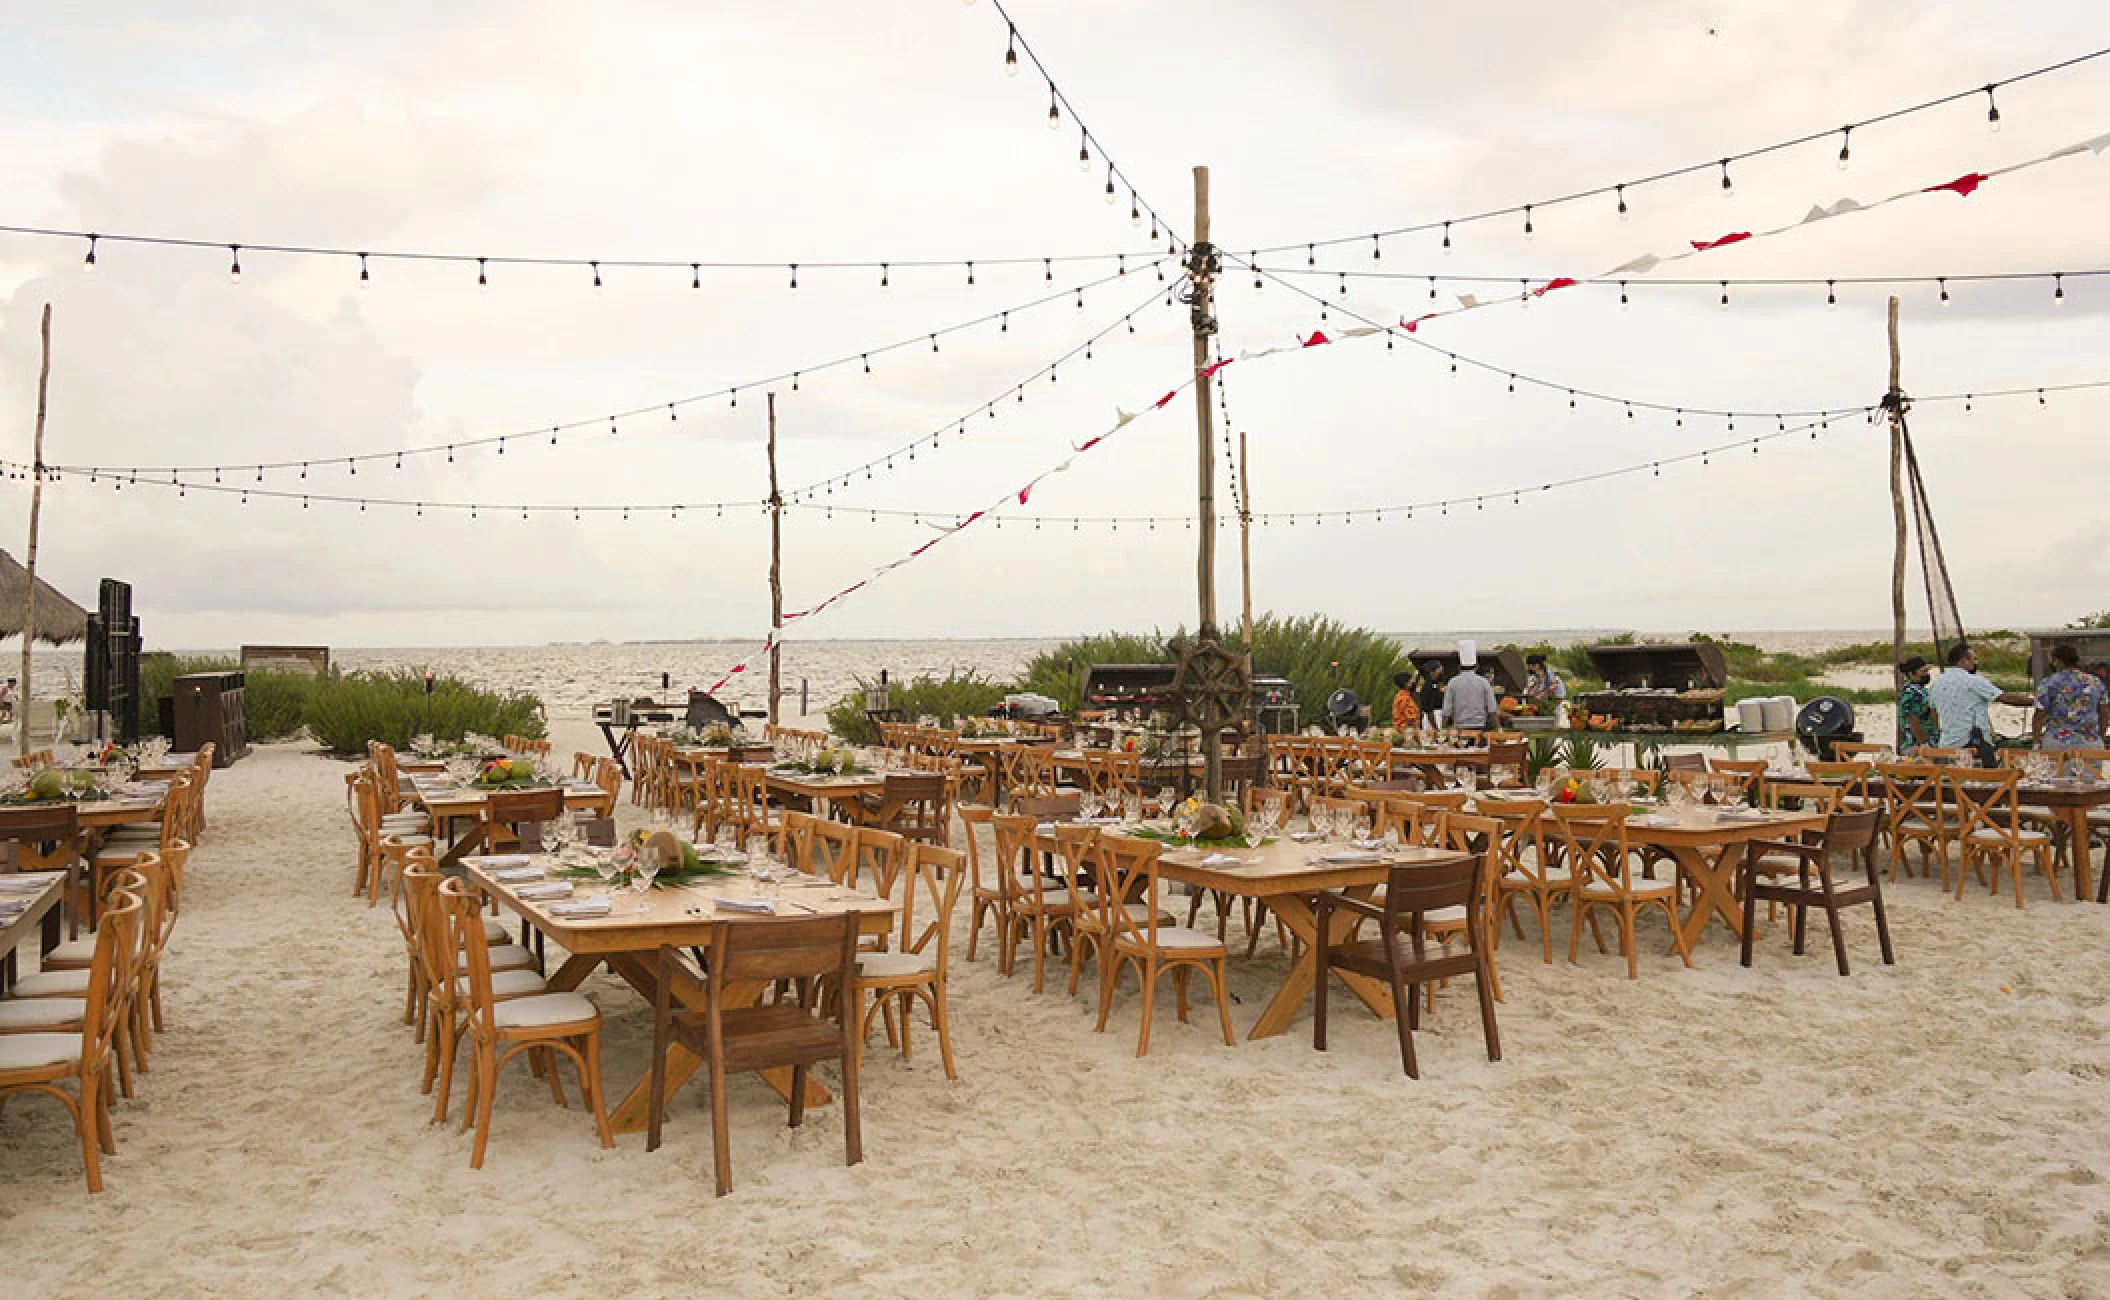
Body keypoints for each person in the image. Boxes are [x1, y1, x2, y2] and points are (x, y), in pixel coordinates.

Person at [1927, 642, 2032, 763]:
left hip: (1946, 745)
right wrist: (2035, 702)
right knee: (1986, 780)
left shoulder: (1936, 684)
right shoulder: (1973, 681)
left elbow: (1934, 713)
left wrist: (1943, 730)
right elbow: (2005, 698)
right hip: (1972, 745)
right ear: (1963, 660)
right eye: (1973, 659)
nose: (1976, 662)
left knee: (1950, 780)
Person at [2033, 643, 2107, 751]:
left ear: (2056, 660)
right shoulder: (2095, 682)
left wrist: (2036, 742)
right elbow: (2104, 713)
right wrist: (2101, 738)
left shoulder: (2048, 683)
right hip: (2090, 743)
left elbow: (2039, 715)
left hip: (2057, 742)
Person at [1441, 647, 1503, 732]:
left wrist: (1442, 729)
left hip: (1459, 728)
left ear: (1459, 667)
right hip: (1480, 727)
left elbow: (1446, 710)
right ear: (1476, 667)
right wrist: (1499, 728)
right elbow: (1492, 709)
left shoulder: (1452, 682)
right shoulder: (1483, 682)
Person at [1895, 656, 1937, 755]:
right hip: (1916, 746)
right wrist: (1924, 743)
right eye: (1923, 671)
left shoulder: (1921, 691)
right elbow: (1912, 719)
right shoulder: (1910, 693)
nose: (1927, 674)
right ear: (1911, 674)